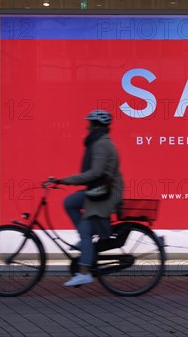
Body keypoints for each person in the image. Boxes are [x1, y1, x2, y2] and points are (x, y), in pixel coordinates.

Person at [54, 109, 124, 287]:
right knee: (70, 202)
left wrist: (66, 180)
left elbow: (95, 172)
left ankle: (84, 273)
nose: (87, 126)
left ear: (96, 125)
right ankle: (87, 241)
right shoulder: (99, 142)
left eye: (90, 123)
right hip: (98, 190)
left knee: (85, 232)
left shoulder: (101, 144)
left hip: (104, 195)